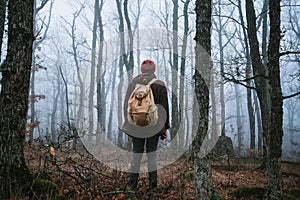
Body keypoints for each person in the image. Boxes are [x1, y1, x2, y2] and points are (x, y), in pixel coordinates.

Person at [121, 59, 170, 190]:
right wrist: (163, 128)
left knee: (136, 154)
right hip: (153, 127)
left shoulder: (133, 83)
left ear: (142, 70)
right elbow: (163, 108)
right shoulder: (159, 84)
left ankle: (132, 185)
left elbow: (126, 105)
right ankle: (153, 186)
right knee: (152, 155)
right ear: (153, 70)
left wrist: (129, 123)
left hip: (136, 126)